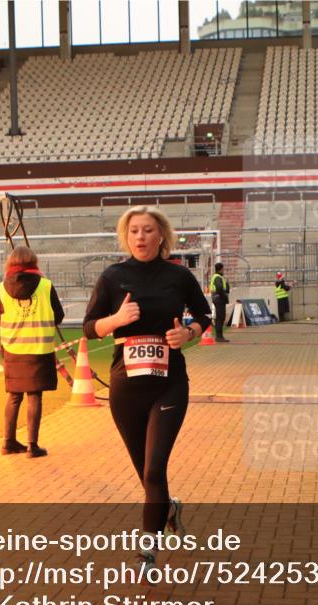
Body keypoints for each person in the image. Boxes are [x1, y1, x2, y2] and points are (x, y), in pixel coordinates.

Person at [82, 205, 212, 575]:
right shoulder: (112, 276)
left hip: (169, 384)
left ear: (161, 236)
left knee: (155, 468)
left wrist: (188, 333)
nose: (141, 237)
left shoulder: (178, 275)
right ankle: (167, 508)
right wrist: (117, 320)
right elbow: (90, 328)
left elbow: (205, 315)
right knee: (145, 472)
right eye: (134, 231)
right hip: (126, 386)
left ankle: (147, 552)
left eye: (148, 230)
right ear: (127, 236)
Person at [0, 246, 64, 459]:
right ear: (33, 262)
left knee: (14, 396)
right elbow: (58, 316)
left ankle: (8, 442)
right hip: (38, 350)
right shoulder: (45, 285)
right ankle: (32, 446)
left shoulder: (2, 288)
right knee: (35, 396)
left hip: (12, 349)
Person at [209, 261, 230, 342]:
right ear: (221, 269)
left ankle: (219, 336)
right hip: (219, 299)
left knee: (220, 317)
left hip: (218, 299)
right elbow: (219, 289)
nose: (223, 270)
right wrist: (224, 296)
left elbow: (223, 289)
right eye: (223, 269)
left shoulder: (217, 277)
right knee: (220, 318)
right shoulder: (218, 277)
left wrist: (227, 288)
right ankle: (219, 337)